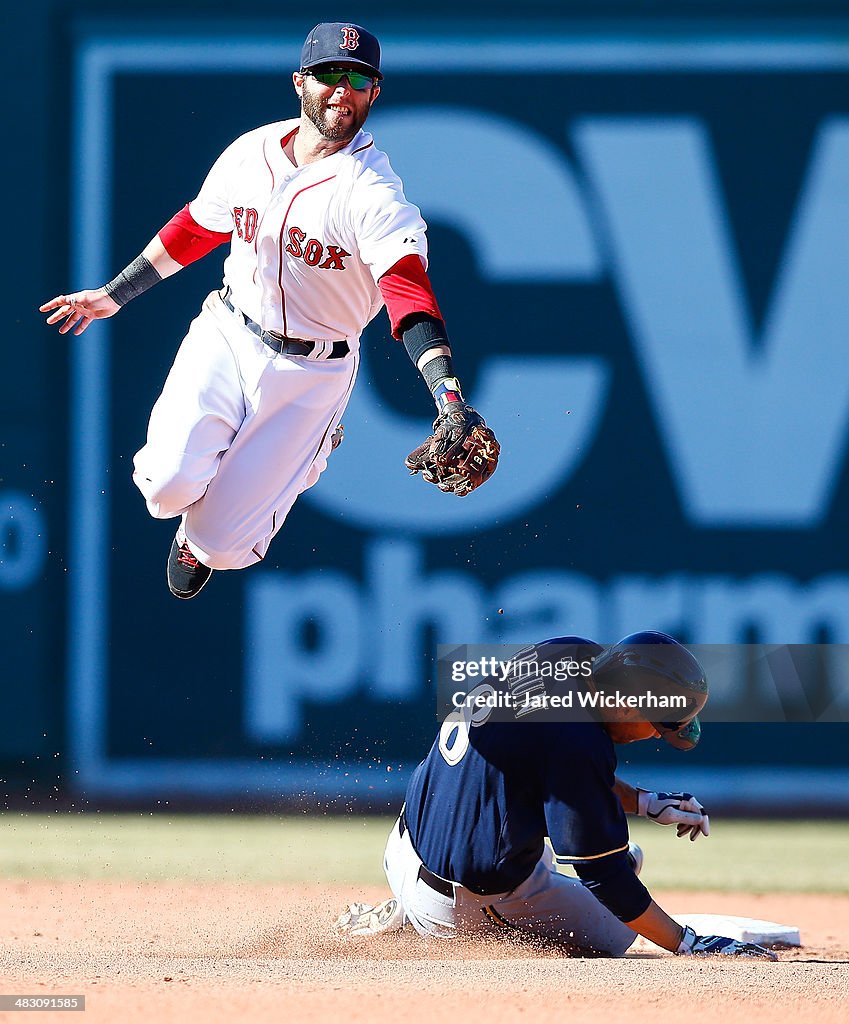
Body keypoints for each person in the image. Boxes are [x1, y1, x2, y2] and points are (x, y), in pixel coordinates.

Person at [40, 22, 498, 600]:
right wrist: (113, 294)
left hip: (312, 374)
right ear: (300, 81)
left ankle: (292, 463)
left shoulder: (373, 192)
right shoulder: (251, 152)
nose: (343, 90)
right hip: (229, 332)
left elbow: (407, 292)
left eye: (359, 79)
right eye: (330, 73)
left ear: (374, 94)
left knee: (221, 549)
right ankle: (288, 463)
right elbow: (198, 226)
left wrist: (448, 395)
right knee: (162, 487)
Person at [335, 631, 776, 960]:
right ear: (627, 704)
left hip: (407, 843)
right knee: (618, 925)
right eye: (658, 725)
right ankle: (416, 922)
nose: (655, 737)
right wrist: (688, 943)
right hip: (459, 904)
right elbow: (606, 879)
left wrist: (643, 802)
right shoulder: (578, 742)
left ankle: (410, 906)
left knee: (604, 846)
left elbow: (540, 766)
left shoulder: (567, 655)